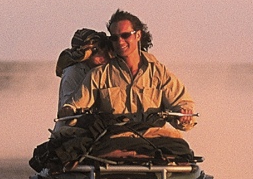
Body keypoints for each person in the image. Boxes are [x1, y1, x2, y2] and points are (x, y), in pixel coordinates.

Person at [59, 9, 196, 131]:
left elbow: (182, 104)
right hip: (112, 142)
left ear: (138, 35)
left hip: (154, 140)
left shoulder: (159, 73)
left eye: (125, 35)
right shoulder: (99, 75)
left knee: (182, 153)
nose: (120, 41)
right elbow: (75, 105)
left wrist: (183, 116)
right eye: (114, 38)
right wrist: (69, 111)